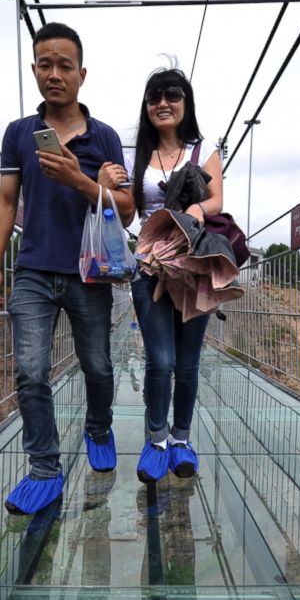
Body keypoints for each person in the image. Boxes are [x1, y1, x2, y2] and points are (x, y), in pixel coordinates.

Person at [0, 22, 135, 515]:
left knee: (98, 366)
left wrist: (81, 179)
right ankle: (44, 469)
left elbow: (127, 209)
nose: (54, 74)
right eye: (45, 64)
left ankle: (97, 427)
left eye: (64, 65)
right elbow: (7, 202)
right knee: (30, 372)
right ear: (33, 69)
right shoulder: (19, 134)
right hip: (32, 270)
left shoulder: (105, 137)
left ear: (81, 74)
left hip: (91, 272)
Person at [103, 68, 222, 484]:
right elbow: (130, 213)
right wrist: (108, 188)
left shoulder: (203, 149)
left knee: (188, 364)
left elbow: (217, 199)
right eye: (155, 96)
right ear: (147, 106)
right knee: (161, 360)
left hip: (193, 269)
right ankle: (155, 441)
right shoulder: (138, 156)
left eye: (172, 95)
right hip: (150, 266)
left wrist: (196, 210)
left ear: (185, 103)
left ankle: (181, 440)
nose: (163, 102)